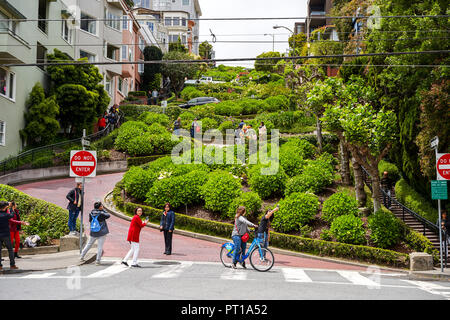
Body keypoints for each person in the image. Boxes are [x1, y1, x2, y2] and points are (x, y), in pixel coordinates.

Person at [0, 201, 18, 270]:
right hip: (6, 235)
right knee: (10, 250)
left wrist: (7, 206)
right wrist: (12, 208)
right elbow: (12, 215)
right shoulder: (6, 215)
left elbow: (3, 210)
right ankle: (12, 265)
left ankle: (0, 266)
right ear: (5, 207)